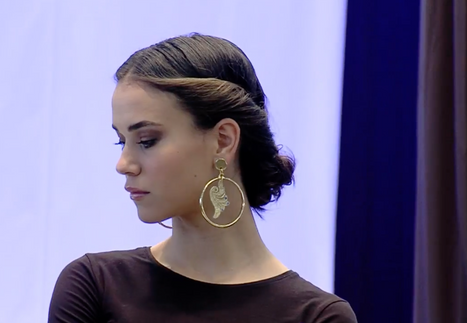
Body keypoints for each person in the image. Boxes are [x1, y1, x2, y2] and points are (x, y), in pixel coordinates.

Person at [48, 33, 357, 323]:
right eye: (121, 141)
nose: (124, 164)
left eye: (146, 140)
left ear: (223, 140)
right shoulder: (93, 285)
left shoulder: (317, 316)